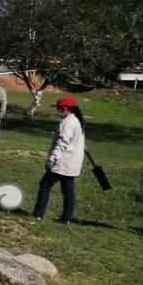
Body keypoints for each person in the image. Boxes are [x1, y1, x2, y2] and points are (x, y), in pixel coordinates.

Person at [31, 96, 86, 224]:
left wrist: (52, 159)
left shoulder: (67, 123)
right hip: (72, 164)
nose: (58, 111)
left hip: (61, 162)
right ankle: (67, 218)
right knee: (68, 191)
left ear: (65, 108)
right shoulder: (77, 121)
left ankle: (38, 214)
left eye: (59, 108)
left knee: (45, 185)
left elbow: (62, 143)